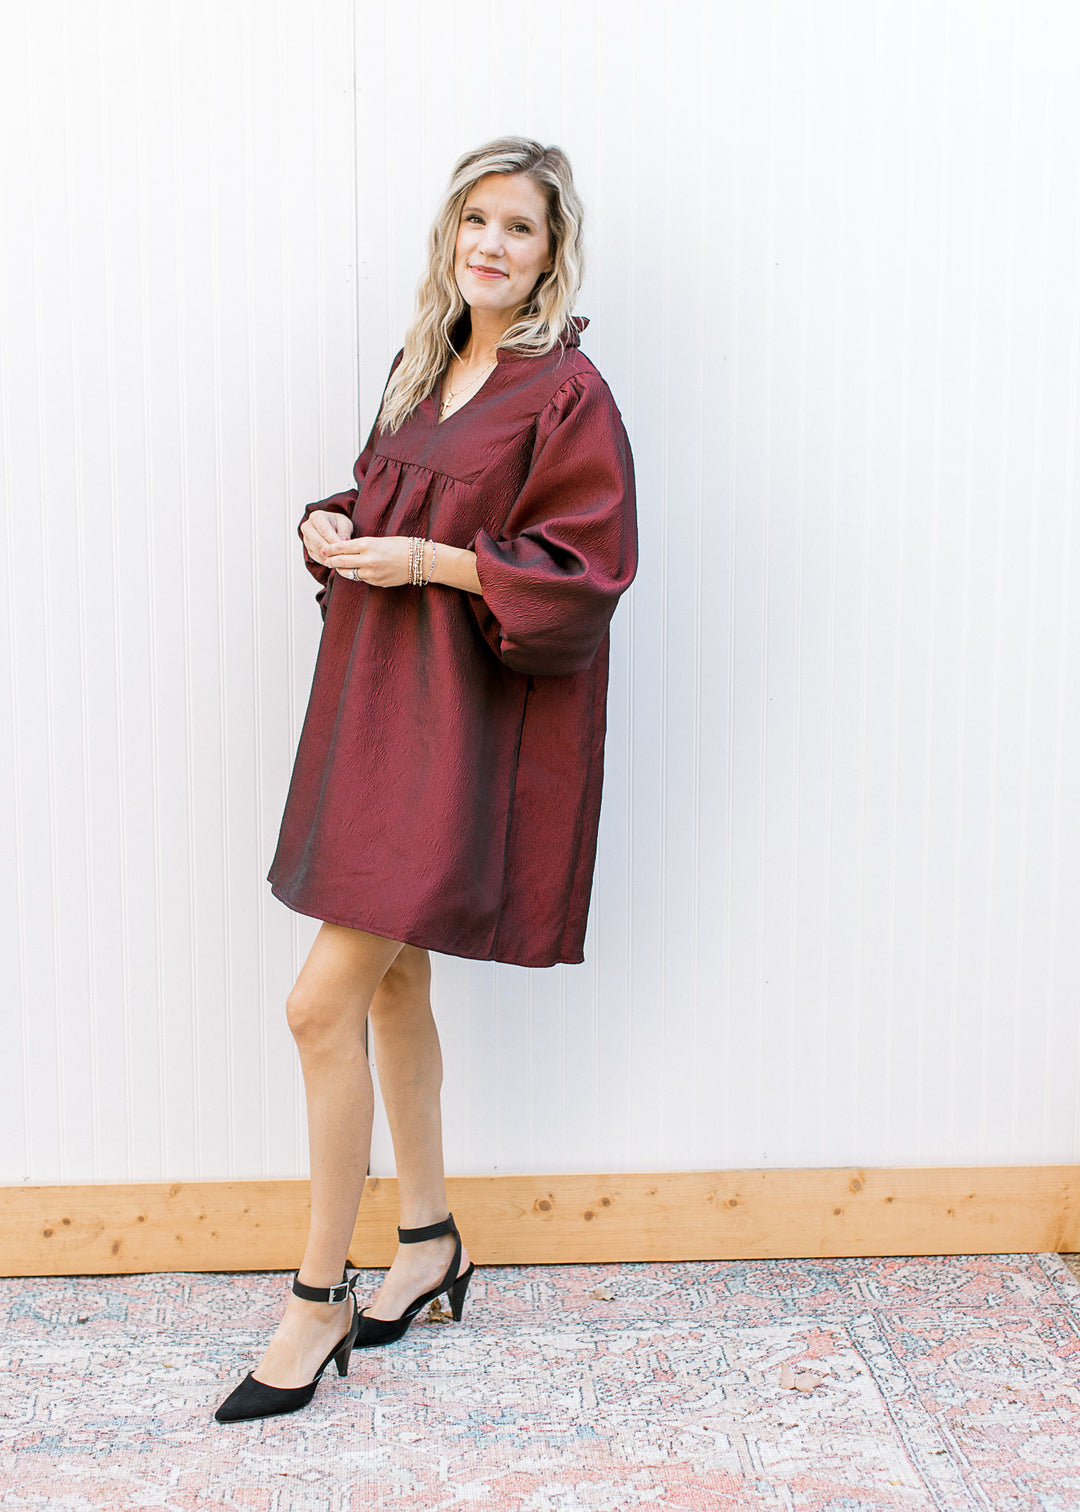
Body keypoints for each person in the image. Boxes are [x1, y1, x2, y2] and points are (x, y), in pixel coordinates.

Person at [214, 136, 638, 1423]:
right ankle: (431, 1239)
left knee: (315, 1008)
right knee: (392, 988)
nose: (492, 247)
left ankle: (316, 1294)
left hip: (457, 738)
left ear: (554, 252)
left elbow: (583, 571)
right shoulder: (420, 369)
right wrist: (330, 524)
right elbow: (391, 494)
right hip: (373, 706)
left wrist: (429, 567)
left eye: (518, 228)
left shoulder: (568, 393)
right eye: (474, 225)